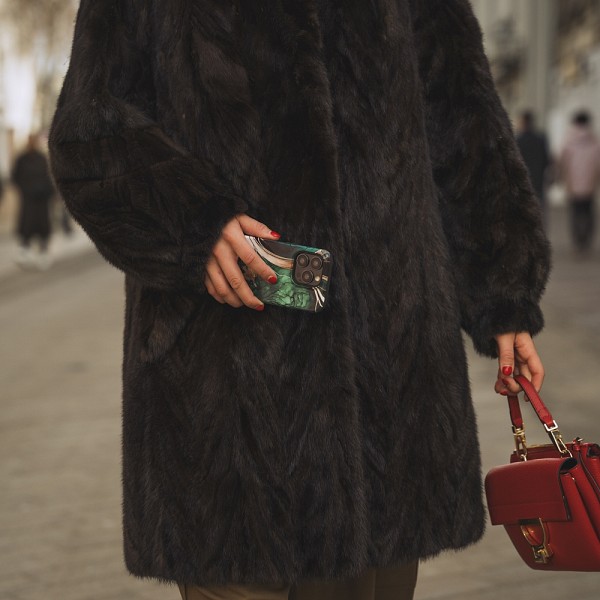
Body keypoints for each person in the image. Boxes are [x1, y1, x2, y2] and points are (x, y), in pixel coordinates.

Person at [48, 1, 550, 599]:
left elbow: (462, 119)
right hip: (225, 384)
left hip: (386, 382)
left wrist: (503, 291)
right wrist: (192, 219)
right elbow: (89, 126)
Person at [12, 134, 55, 269]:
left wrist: (46, 191)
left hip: (42, 200)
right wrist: (26, 189)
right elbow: (16, 177)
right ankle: (24, 252)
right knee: (27, 227)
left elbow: (48, 177)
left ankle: (43, 253)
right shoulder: (22, 159)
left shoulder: (42, 158)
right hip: (28, 200)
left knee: (43, 227)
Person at [558, 110, 600, 252]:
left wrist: (565, 180)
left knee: (575, 213)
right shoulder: (594, 141)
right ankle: (586, 239)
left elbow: (563, 162)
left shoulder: (568, 141)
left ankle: (577, 239)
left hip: (573, 185)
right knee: (588, 213)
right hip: (590, 185)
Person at [516, 110, 551, 223]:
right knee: (539, 210)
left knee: (523, 212)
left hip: (522, 181)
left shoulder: (518, 140)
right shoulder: (541, 139)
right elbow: (547, 160)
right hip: (538, 180)